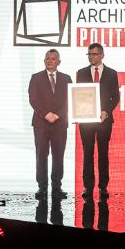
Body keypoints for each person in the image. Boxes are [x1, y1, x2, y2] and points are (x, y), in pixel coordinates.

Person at [76, 42, 119, 198]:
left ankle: (103, 187)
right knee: (87, 153)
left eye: (94, 54)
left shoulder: (112, 73)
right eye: (89, 54)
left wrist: (106, 111)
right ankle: (88, 187)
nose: (91, 57)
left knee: (103, 153)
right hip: (86, 120)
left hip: (104, 120)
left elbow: (116, 97)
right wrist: (77, 112)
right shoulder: (81, 72)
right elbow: (78, 95)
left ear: (102, 55)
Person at [28, 49, 72, 199]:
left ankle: (57, 188)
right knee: (41, 155)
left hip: (60, 124)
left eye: (53, 58)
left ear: (59, 62)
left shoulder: (66, 78)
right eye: (47, 58)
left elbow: (69, 99)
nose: (49, 60)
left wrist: (58, 114)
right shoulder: (36, 78)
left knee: (58, 156)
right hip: (41, 123)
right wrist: (46, 114)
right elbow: (33, 99)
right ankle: (42, 188)